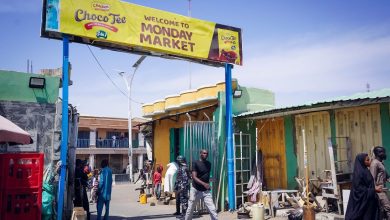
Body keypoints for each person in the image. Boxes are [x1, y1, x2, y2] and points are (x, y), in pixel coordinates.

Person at [345, 153, 380, 220]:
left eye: (369, 159)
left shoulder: (365, 170)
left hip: (369, 201)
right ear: (361, 161)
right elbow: (359, 190)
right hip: (362, 203)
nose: (369, 161)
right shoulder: (359, 174)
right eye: (367, 160)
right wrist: (374, 190)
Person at [185, 149, 218, 220]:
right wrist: (204, 184)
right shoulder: (195, 163)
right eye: (204, 153)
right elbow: (194, 177)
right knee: (190, 209)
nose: (205, 154)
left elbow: (206, 176)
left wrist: (208, 184)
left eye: (207, 153)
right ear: (200, 154)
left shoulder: (209, 164)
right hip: (195, 190)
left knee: (212, 209)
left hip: (205, 191)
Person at [370, 146, 390, 219]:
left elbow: (387, 177)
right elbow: (372, 178)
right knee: (388, 208)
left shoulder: (381, 163)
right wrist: (375, 189)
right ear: (378, 153)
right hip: (379, 191)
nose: (384, 154)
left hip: (383, 189)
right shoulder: (374, 163)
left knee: (385, 209)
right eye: (383, 152)